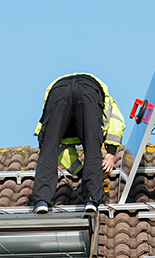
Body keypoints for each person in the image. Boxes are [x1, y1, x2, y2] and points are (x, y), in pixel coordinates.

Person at [31, 73, 126, 213]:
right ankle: (92, 199)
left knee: (49, 146)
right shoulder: (107, 101)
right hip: (89, 88)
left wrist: (82, 173)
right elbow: (116, 121)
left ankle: (42, 200)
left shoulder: (64, 130)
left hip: (59, 89)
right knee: (92, 145)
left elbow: (60, 151)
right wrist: (110, 152)